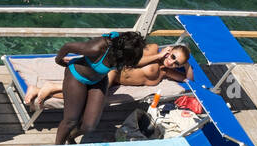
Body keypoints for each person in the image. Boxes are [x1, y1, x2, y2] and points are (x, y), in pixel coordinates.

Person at [22, 42, 194, 111]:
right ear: (169, 50)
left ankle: (41, 89)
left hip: (116, 83)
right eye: (173, 57)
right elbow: (133, 59)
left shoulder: (165, 71)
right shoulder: (153, 49)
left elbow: (188, 80)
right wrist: (158, 56)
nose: (172, 63)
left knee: (85, 97)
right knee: (90, 96)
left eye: (177, 63)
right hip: (114, 71)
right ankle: (51, 87)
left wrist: (187, 64)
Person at [51, 30, 146, 144]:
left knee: (89, 126)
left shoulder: (124, 50)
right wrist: (59, 61)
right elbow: (68, 46)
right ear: (119, 52)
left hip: (98, 80)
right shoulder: (96, 48)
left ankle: (70, 136)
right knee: (71, 120)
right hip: (77, 76)